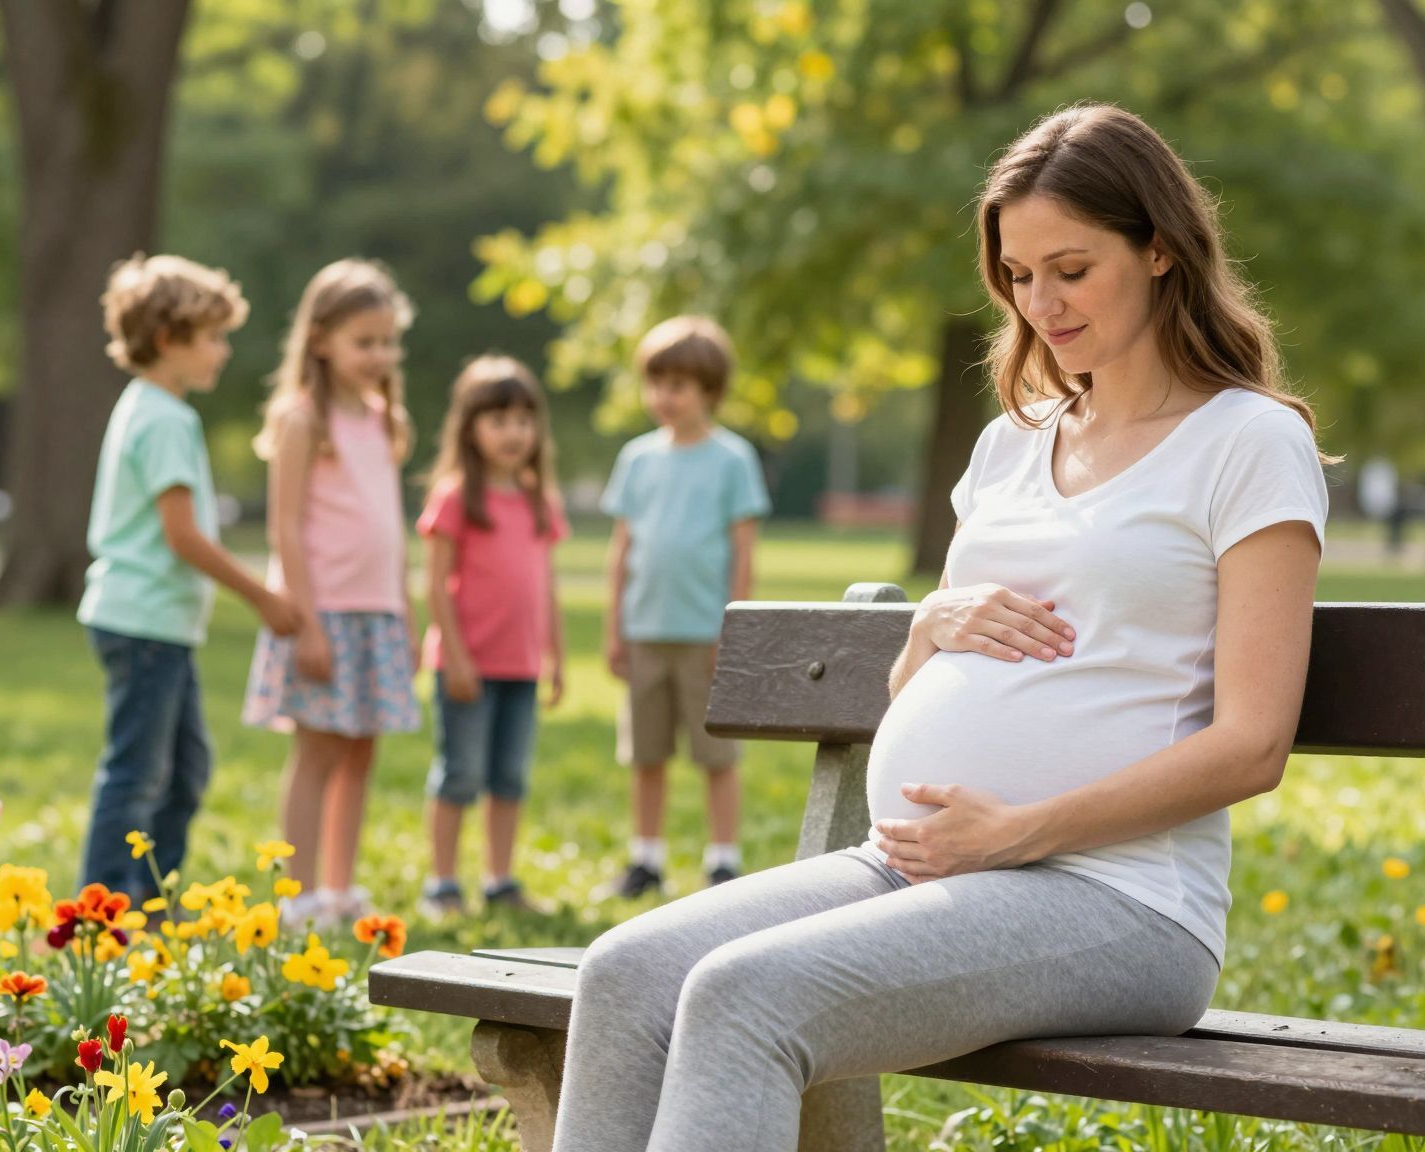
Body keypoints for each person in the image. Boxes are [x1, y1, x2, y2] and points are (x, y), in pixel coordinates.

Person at [550, 103, 1329, 1152]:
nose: (1040, 304)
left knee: (745, 996)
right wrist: (928, 625)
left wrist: (1017, 831)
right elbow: (922, 686)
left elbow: (1253, 746)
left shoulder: (1247, 442)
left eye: (1071, 269)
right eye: (1018, 274)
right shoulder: (1010, 445)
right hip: (916, 862)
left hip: (1120, 897)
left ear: (1158, 250)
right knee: (624, 974)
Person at [78, 254, 301, 900]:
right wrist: (263, 597)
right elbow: (184, 536)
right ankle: (101, 911)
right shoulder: (165, 420)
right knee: (139, 774)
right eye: (213, 337)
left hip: (153, 623)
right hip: (145, 622)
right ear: (168, 339)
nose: (223, 351)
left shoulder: (147, 407)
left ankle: (150, 902)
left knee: (182, 772)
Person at [244, 258, 421, 931]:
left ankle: (340, 890)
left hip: (377, 613)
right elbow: (285, 526)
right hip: (325, 612)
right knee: (317, 750)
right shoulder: (303, 420)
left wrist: (405, 614)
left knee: (361, 752)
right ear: (321, 340)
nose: (379, 355)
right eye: (364, 342)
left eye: (387, 342)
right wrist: (307, 624)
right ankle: (299, 895)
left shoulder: (383, 419)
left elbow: (391, 528)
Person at [602, 315, 771, 896]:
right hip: (645, 630)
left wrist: (735, 629)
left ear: (709, 390)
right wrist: (613, 629)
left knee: (716, 755)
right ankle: (646, 859)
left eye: (677, 385)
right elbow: (621, 550)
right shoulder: (637, 459)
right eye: (655, 384)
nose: (663, 397)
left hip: (706, 636)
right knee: (646, 754)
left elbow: (743, 552)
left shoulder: (733, 459)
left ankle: (722, 859)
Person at [416, 355, 568, 919]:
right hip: (467, 666)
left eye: (524, 420)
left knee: (509, 778)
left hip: (521, 666)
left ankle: (500, 880)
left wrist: (556, 658)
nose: (513, 433)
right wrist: (454, 657)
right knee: (460, 774)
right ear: (470, 427)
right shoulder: (456, 497)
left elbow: (546, 586)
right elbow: (435, 584)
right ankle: (442, 883)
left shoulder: (538, 500)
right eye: (498, 420)